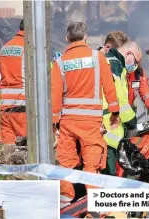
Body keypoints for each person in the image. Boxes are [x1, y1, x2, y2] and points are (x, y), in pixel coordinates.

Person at [51, 22, 120, 202]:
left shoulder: (59, 63)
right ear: (86, 37)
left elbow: (55, 96)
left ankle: (64, 202)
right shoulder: (97, 57)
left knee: (65, 163)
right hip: (91, 122)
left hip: (68, 122)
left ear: (67, 38)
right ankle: (95, 207)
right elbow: (109, 87)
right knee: (92, 165)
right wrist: (114, 112)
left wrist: (54, 123)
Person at [98, 31, 136, 176]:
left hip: (105, 129)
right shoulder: (113, 64)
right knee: (108, 174)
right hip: (108, 128)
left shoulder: (108, 63)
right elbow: (119, 99)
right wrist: (131, 121)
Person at [0, 19, 27, 146]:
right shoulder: (30, 48)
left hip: (5, 103)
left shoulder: (5, 47)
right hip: (22, 102)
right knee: (27, 146)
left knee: (8, 146)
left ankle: (6, 166)